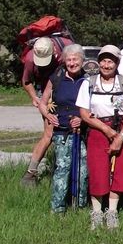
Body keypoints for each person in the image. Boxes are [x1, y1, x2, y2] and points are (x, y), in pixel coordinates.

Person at [76, 45, 123, 230]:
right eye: (103, 60)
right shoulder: (89, 83)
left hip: (122, 130)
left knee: (120, 170)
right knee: (97, 169)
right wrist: (107, 131)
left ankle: (112, 212)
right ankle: (96, 212)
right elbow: (85, 114)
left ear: (117, 63)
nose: (106, 65)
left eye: (111, 61)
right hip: (97, 130)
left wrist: (120, 136)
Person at [38, 44, 88, 214]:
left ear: (82, 61)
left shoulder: (88, 80)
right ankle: (57, 208)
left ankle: (80, 205)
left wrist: (82, 119)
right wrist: (48, 116)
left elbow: (94, 106)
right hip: (62, 132)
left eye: (76, 59)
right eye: (69, 59)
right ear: (65, 61)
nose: (72, 63)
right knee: (62, 169)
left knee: (82, 170)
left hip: (83, 131)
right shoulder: (56, 78)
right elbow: (43, 103)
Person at [20, 35, 73, 187]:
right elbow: (26, 81)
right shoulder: (30, 58)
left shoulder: (66, 47)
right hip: (47, 94)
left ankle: (72, 170)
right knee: (49, 134)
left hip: (69, 89)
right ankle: (30, 174)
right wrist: (35, 97)